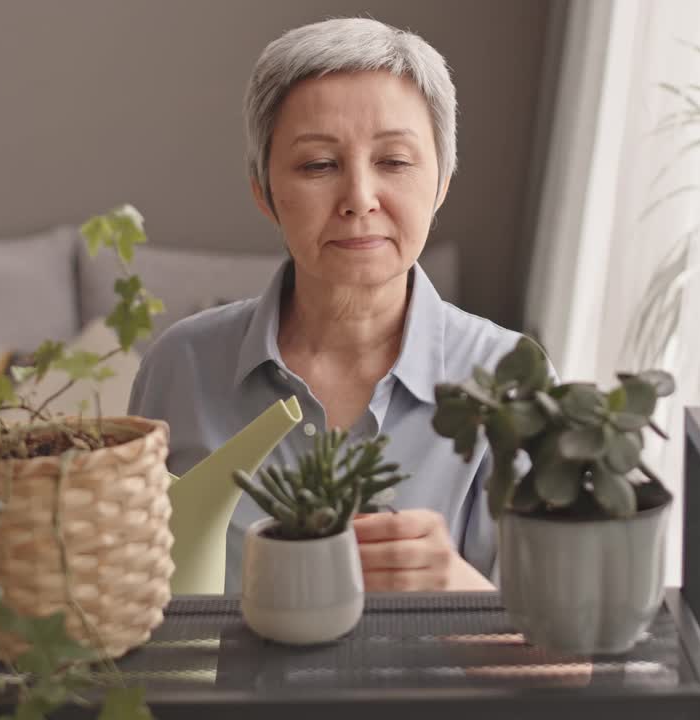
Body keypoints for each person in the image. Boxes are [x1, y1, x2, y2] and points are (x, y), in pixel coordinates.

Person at [128, 17, 533, 593]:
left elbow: (566, 670)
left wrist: (459, 592)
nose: (359, 199)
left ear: (441, 181)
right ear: (263, 190)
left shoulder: (510, 378)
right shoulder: (180, 366)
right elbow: (127, 606)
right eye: (319, 165)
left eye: (394, 161)